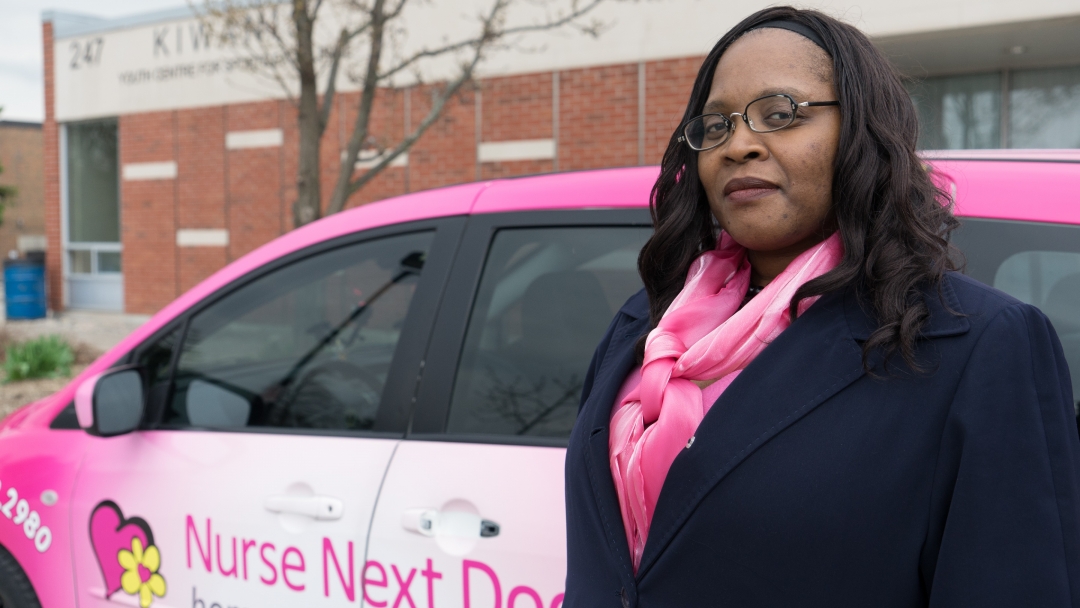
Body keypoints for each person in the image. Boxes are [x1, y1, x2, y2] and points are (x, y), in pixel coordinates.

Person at [563, 6, 1080, 607]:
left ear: (862, 130)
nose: (739, 146)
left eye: (779, 114)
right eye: (715, 126)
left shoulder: (977, 345)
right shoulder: (648, 326)